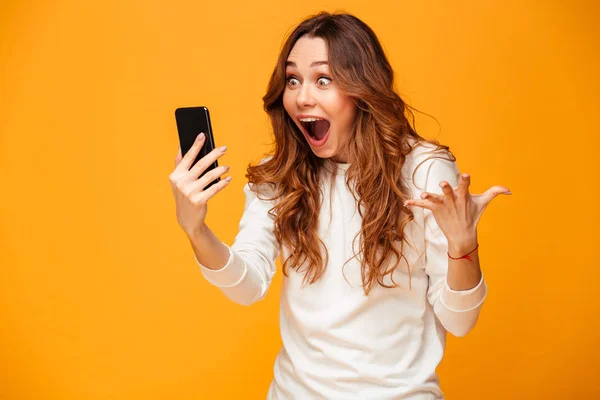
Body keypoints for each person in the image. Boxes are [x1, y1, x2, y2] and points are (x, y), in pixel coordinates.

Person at [169, 11, 511, 400]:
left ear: (362, 88)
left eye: (323, 80)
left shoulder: (424, 171)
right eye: (293, 79)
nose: (302, 97)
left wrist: (463, 245)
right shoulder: (283, 175)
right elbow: (247, 285)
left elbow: (460, 320)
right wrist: (195, 229)